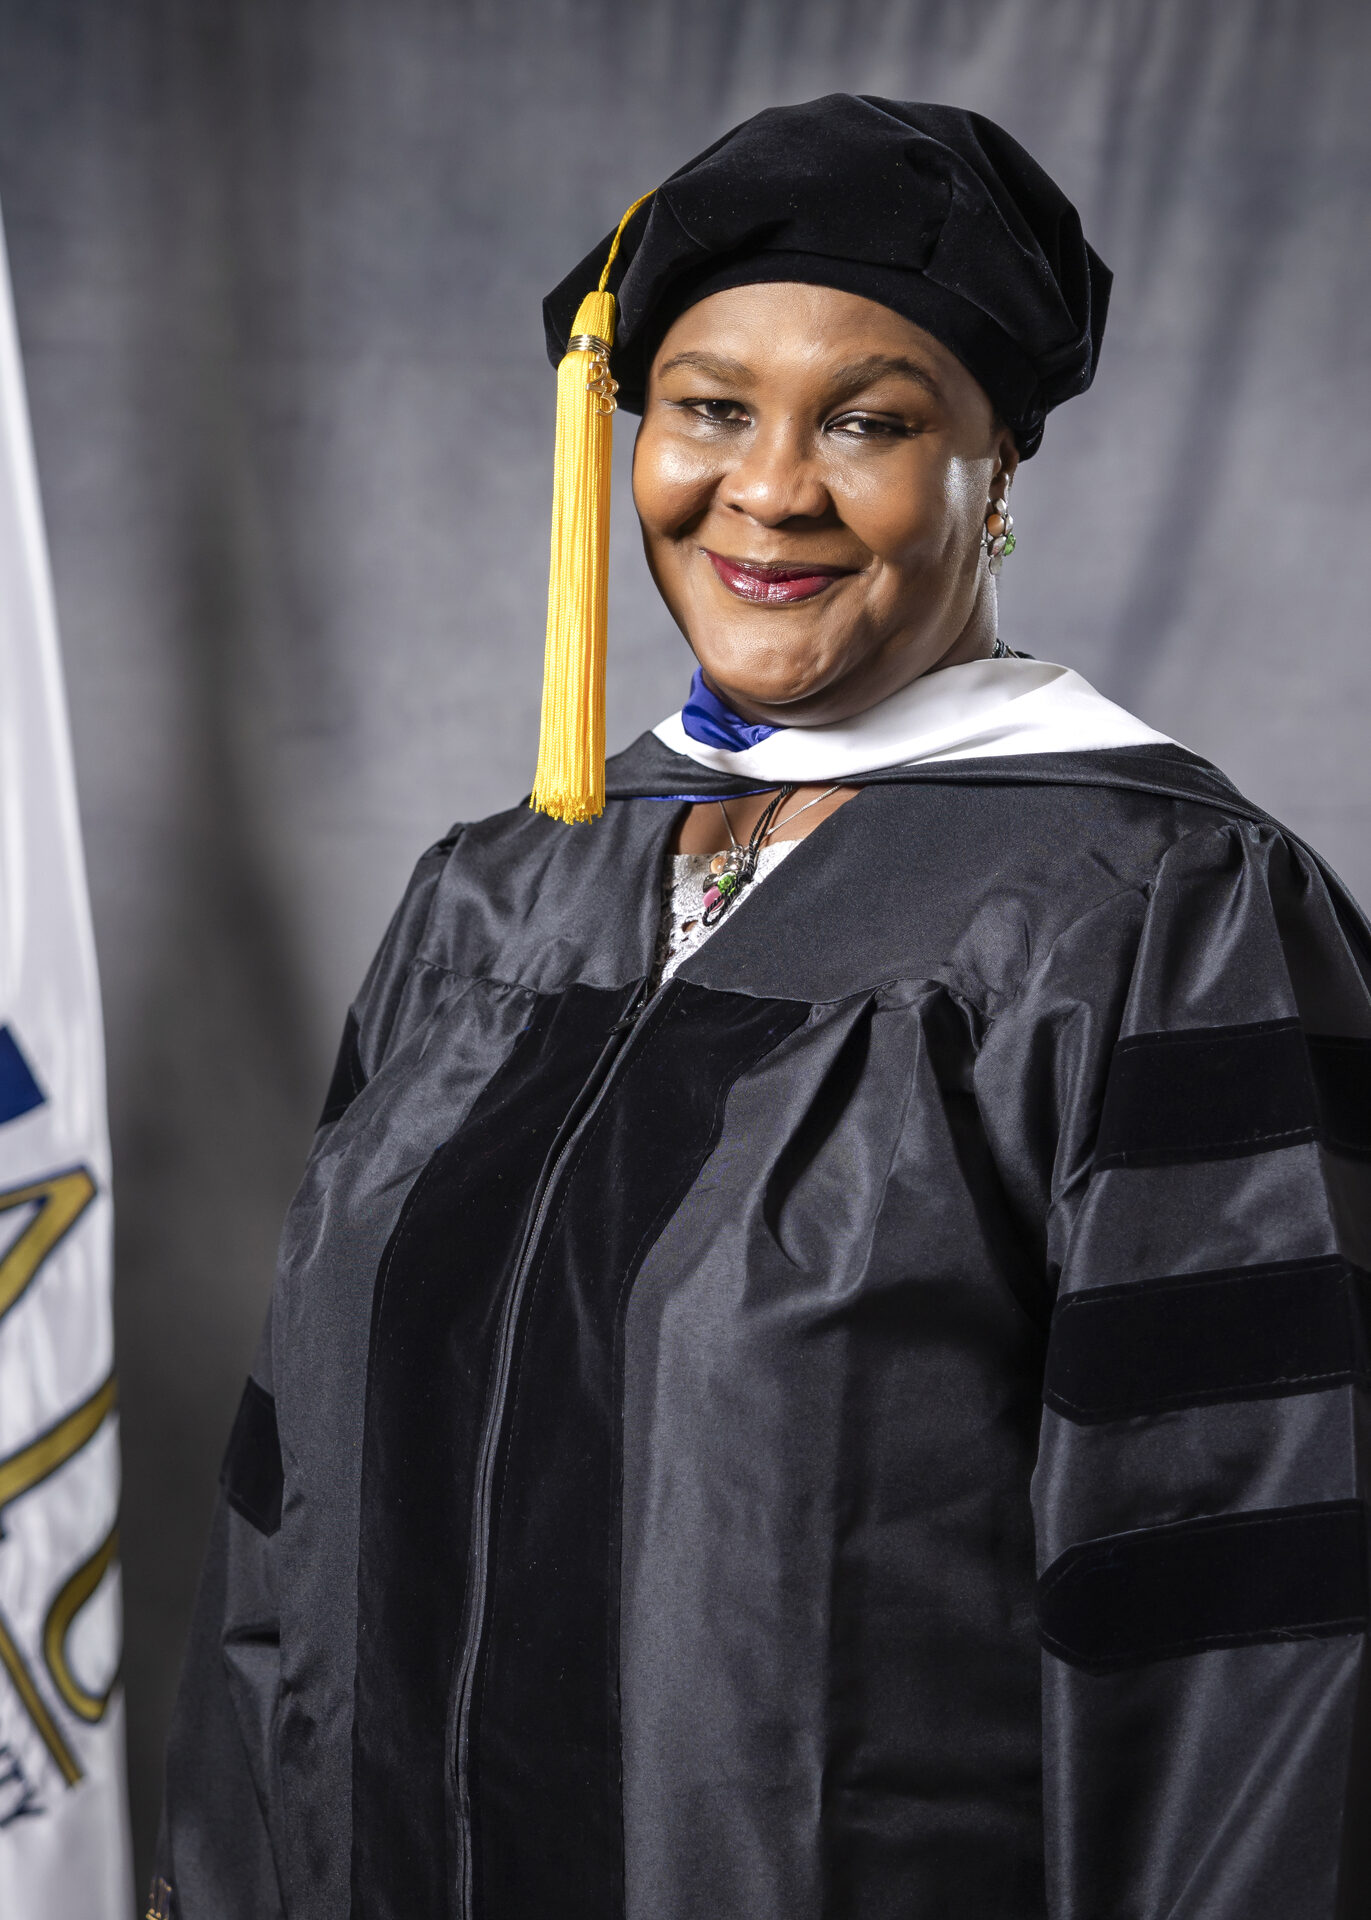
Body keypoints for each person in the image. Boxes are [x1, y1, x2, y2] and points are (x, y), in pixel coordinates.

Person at [152, 97, 1371, 1920]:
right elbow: (289, 1509)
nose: (771, 490)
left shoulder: (1159, 913)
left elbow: (1244, 1611)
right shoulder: (491, 900)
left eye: (868, 421)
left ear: (997, 466)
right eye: (710, 409)